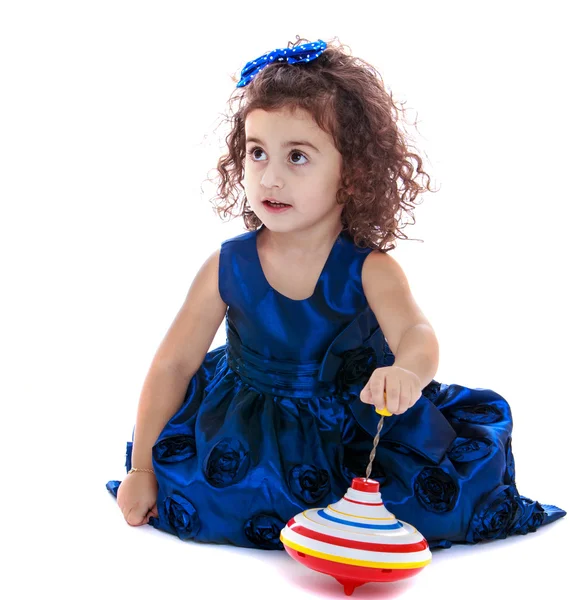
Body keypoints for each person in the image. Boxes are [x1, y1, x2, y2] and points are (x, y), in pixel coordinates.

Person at [106, 36, 566, 550]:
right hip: (250, 425)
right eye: (257, 153)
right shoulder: (226, 266)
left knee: (419, 506)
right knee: (207, 491)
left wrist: (406, 373)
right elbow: (173, 364)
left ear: (352, 173)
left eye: (297, 157)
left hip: (354, 426)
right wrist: (142, 466)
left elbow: (417, 333)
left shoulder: (369, 269)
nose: (270, 177)